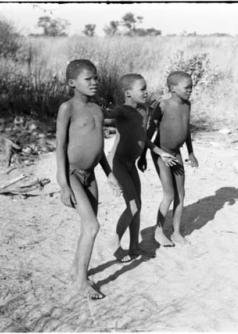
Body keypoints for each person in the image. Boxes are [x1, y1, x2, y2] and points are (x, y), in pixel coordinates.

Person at [56, 59, 121, 299]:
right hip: (72, 174)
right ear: (72, 83)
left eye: (96, 78)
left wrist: (109, 174)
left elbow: (98, 146)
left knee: (88, 227)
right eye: (88, 79)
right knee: (93, 226)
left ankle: (76, 270)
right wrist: (63, 183)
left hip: (91, 175)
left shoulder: (97, 109)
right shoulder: (67, 108)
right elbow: (60, 146)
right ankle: (82, 283)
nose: (94, 82)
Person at [105, 73, 178, 262]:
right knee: (133, 206)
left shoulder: (144, 110)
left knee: (138, 205)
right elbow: (104, 118)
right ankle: (116, 241)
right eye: (142, 89)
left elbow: (143, 138)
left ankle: (134, 247)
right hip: (119, 163)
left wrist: (158, 152)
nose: (146, 92)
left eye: (146, 88)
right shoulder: (121, 111)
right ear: (128, 93)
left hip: (131, 165)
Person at [139, 71, 199, 246]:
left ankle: (176, 233)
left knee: (181, 194)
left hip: (176, 153)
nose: (190, 90)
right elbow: (149, 133)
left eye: (191, 87)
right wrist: (143, 155)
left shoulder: (187, 105)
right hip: (161, 154)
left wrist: (190, 152)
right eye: (187, 87)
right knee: (169, 194)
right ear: (173, 88)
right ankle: (159, 231)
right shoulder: (163, 105)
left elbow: (186, 129)